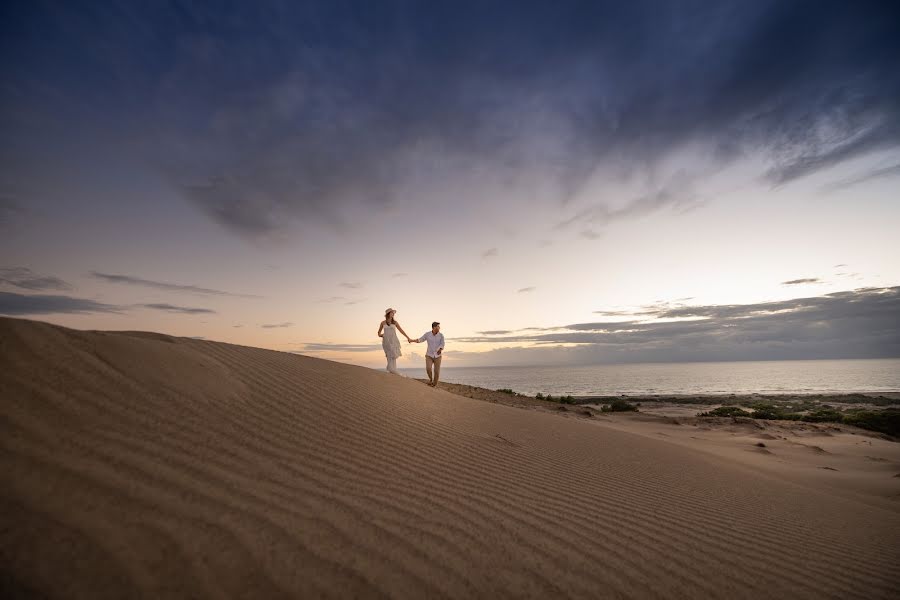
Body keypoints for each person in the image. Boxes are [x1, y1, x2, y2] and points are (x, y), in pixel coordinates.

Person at [378, 308, 412, 374]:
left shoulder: (395, 322)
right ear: (388, 314)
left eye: (393, 313)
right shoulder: (383, 323)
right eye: (392, 313)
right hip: (386, 341)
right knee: (388, 355)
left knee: (393, 354)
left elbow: (401, 330)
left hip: (394, 340)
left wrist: (408, 337)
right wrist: (382, 335)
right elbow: (378, 333)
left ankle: (392, 369)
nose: (393, 314)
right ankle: (390, 369)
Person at [411, 321, 445, 387]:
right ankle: (430, 379)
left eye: (439, 326)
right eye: (438, 326)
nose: (439, 328)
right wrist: (412, 340)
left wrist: (440, 349)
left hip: (438, 356)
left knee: (437, 371)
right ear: (434, 327)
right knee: (428, 368)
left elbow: (442, 344)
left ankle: (434, 384)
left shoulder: (441, 335)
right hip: (429, 355)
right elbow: (420, 340)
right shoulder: (427, 334)